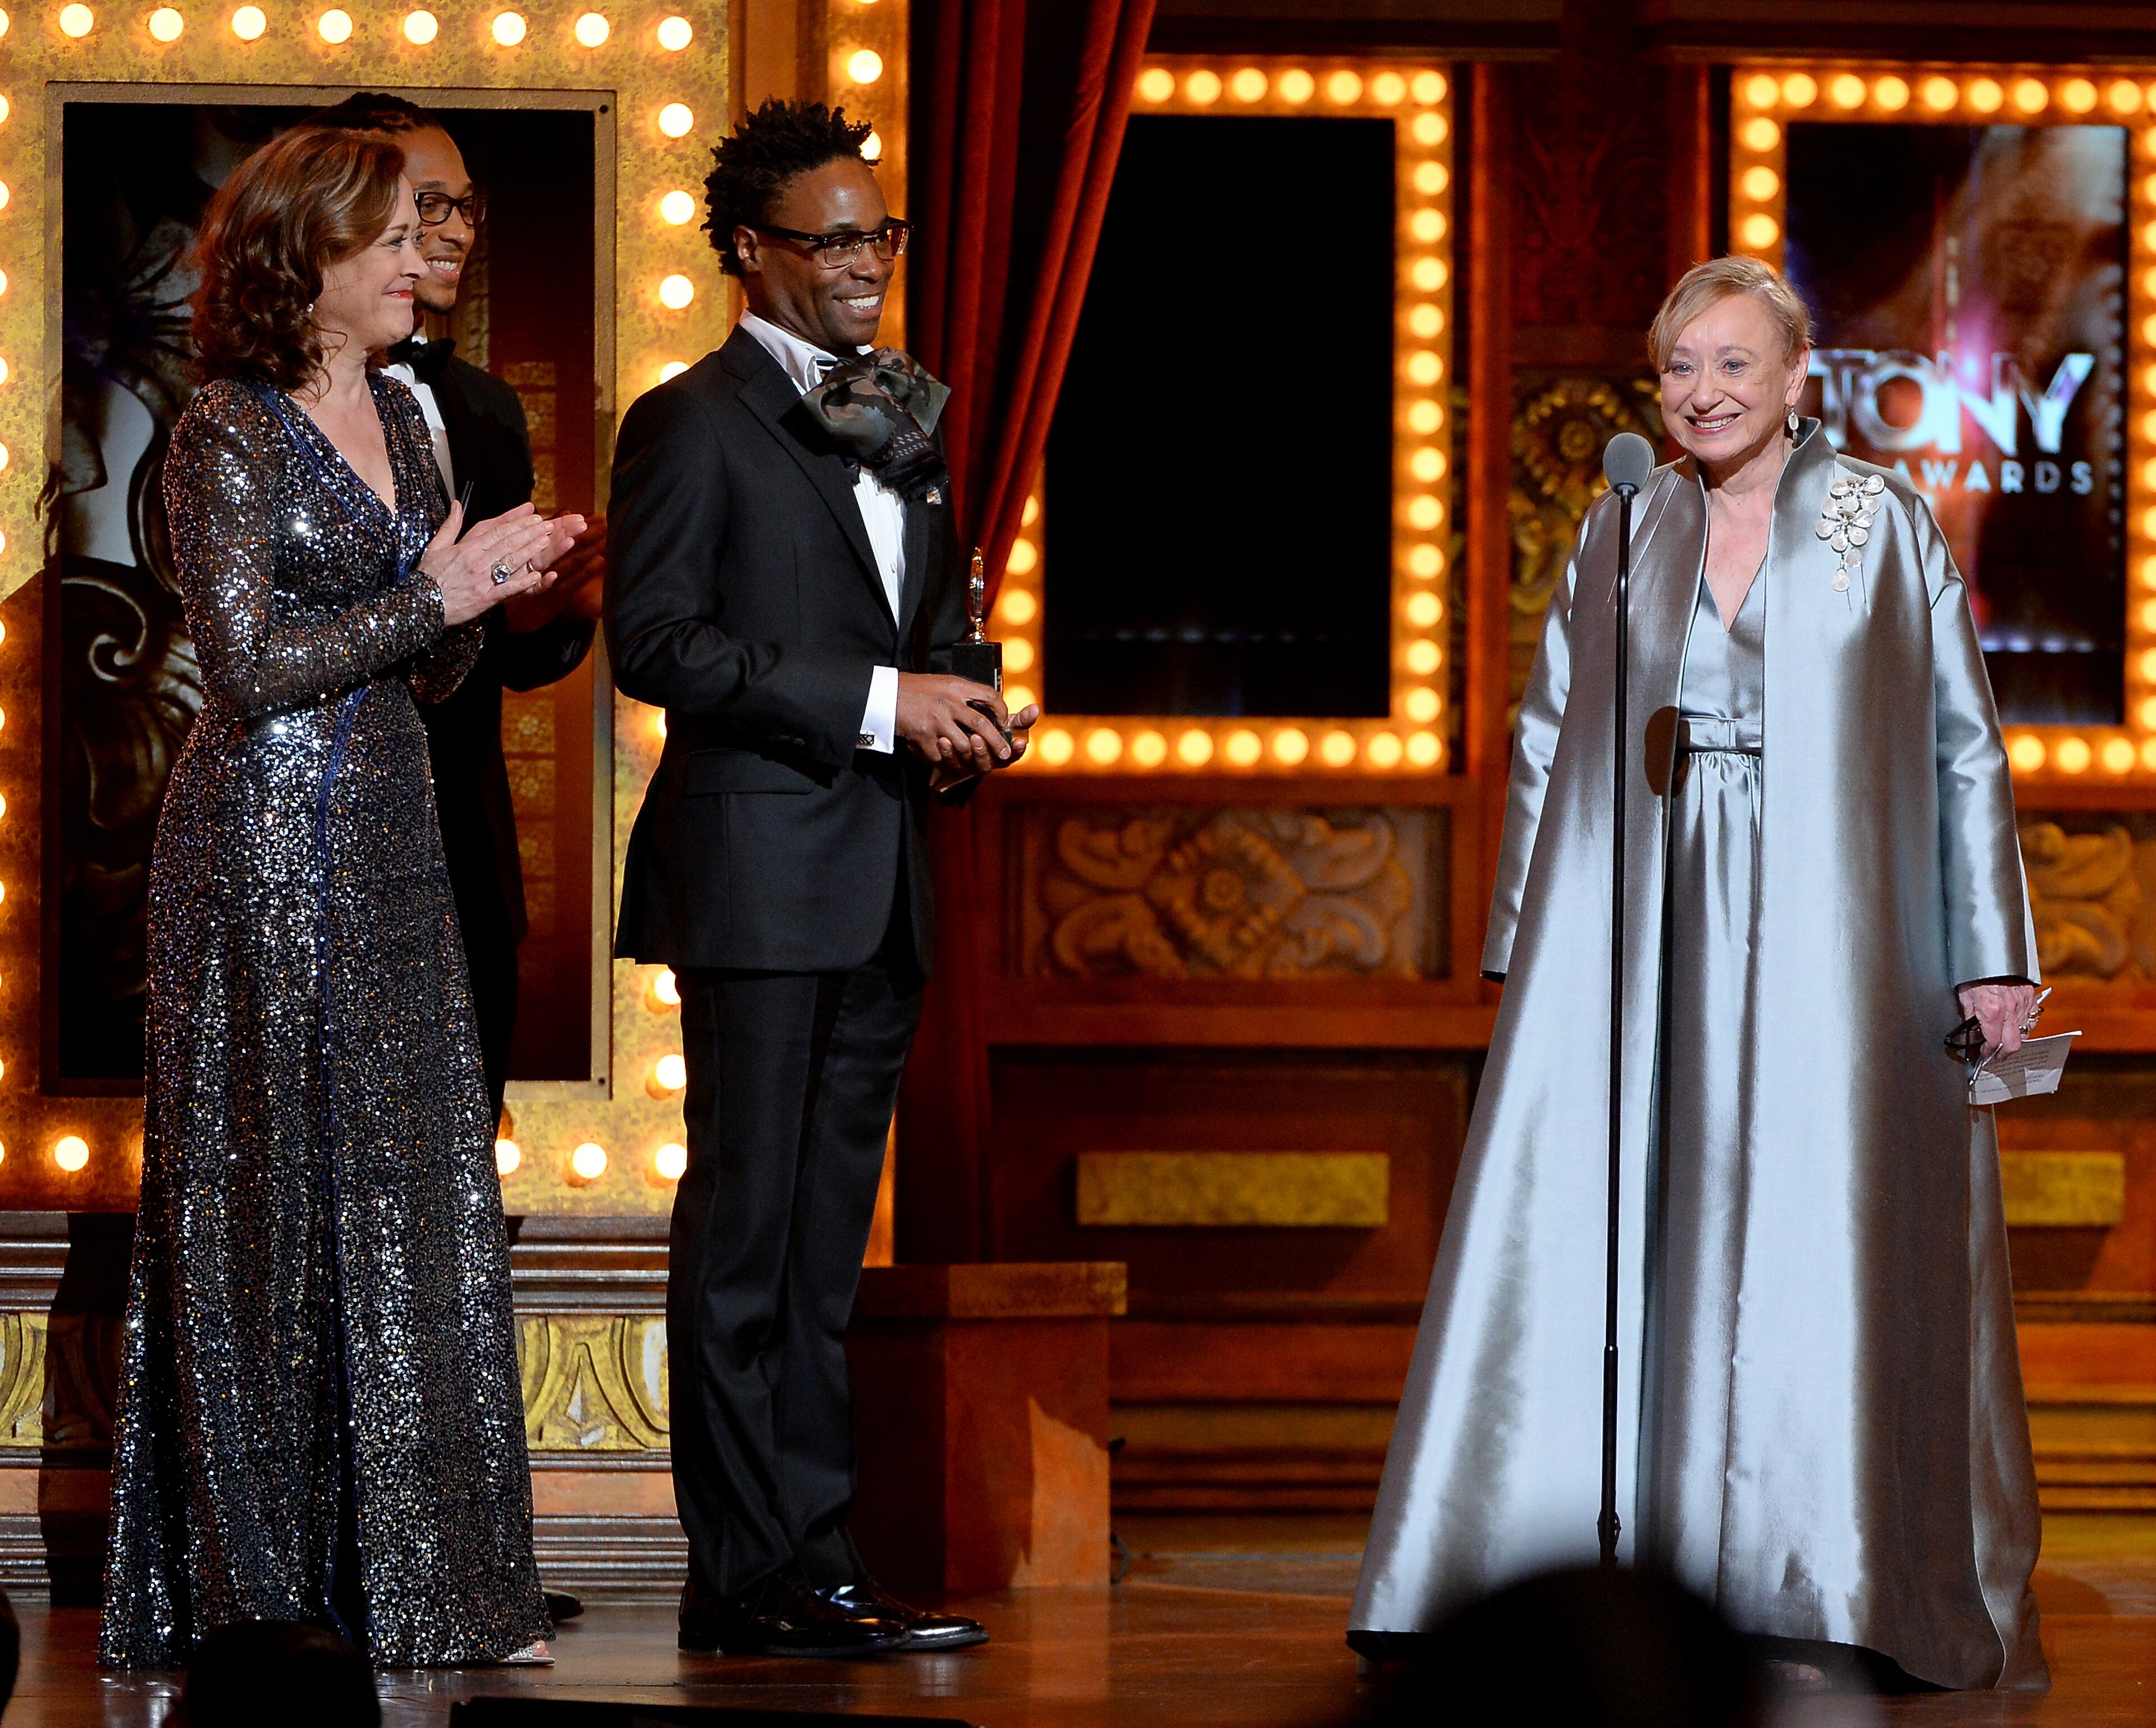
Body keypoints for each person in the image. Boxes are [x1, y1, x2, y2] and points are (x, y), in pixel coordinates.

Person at [1350, 256, 2047, 1691]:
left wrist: (1991, 956)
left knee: (1811, 1224)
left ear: (1800, 378)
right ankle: (1584, 1583)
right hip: (1648, 907)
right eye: (1680, 367)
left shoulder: (1881, 519)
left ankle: (1824, 1577)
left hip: (1838, 927)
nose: (1704, 392)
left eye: (1734, 364)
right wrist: (1527, 951)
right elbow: (1551, 737)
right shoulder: (1625, 523)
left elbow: (1961, 746)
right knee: (1637, 1220)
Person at [99, 125, 583, 1669]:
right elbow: (245, 671)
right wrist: (429, 595)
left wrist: (484, 592)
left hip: (388, 829)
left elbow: (429, 668)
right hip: (256, 841)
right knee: (266, 1200)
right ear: (302, 259)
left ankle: (425, 1581)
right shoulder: (225, 430)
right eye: (387, 237)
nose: (417, 260)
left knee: (412, 1188)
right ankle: (257, 1591)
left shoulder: (414, 413)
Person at [607, 99, 1034, 1658]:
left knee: (822, 1253)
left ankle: (821, 1560)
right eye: (835, 239)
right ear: (749, 252)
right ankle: (742, 1577)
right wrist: (878, 703)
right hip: (758, 875)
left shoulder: (902, 417)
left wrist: (969, 699)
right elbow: (660, 643)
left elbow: (920, 625)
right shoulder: (690, 419)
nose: (867, 265)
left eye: (882, 235)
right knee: (743, 1247)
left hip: (881, 874)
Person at [309, 93, 605, 1126]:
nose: (451, 233)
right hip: (314, 846)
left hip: (464, 862)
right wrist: (440, 604)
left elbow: (503, 656)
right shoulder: (247, 409)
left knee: (456, 1180)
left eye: (465, 207)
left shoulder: (485, 406)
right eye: (422, 205)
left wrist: (549, 612)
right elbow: (252, 650)